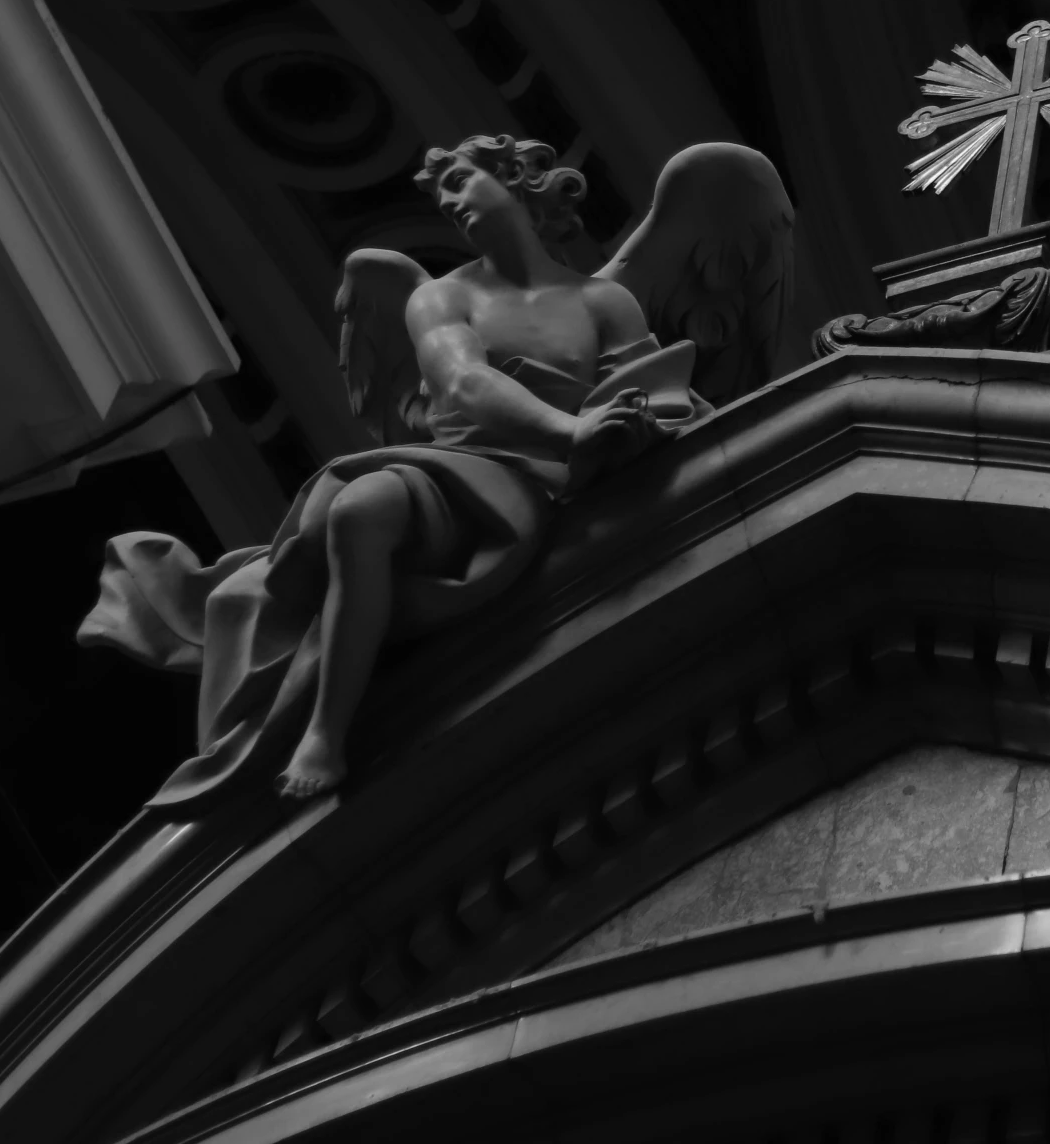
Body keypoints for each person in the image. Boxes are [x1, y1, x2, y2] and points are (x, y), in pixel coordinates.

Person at [82, 136, 703, 806]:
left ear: (519, 176)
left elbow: (647, 387)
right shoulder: (439, 297)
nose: (452, 202)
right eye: (443, 197)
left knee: (343, 523)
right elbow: (463, 383)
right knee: (345, 517)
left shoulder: (604, 301)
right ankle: (324, 732)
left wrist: (627, 424)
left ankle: (322, 727)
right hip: (465, 465)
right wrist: (570, 426)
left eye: (463, 182)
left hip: (533, 484)